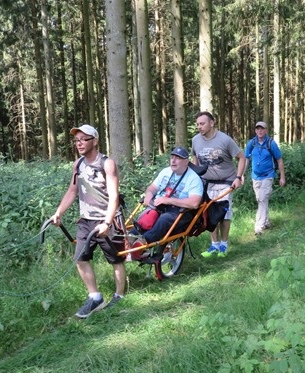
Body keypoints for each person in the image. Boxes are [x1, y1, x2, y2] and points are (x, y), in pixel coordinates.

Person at [50, 124, 126, 318]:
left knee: (115, 260)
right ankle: (95, 297)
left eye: (84, 139)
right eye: (77, 140)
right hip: (86, 220)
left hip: (107, 219)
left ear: (95, 141)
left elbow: (114, 195)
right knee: (80, 258)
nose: (79, 143)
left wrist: (107, 223)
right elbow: (72, 190)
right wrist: (59, 212)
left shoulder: (107, 163)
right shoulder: (78, 164)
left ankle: (119, 295)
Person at [131, 147, 203, 257]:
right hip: (159, 206)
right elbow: (152, 188)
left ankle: (142, 244)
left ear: (186, 162)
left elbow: (194, 203)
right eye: (172, 157)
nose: (173, 160)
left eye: (178, 158)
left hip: (180, 211)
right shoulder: (165, 172)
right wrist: (148, 197)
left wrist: (169, 200)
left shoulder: (194, 178)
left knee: (164, 220)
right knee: (146, 218)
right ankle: (129, 239)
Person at [191, 111, 245, 258]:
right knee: (209, 214)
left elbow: (241, 157)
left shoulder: (225, 140)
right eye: (197, 124)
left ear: (212, 123)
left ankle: (224, 245)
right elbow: (195, 160)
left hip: (226, 182)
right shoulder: (195, 140)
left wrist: (238, 177)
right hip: (206, 183)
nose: (199, 127)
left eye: (202, 123)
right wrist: (194, 179)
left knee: (224, 213)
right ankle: (214, 245)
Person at [243, 121, 286, 235]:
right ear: (255, 130)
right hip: (255, 176)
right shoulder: (251, 143)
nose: (260, 131)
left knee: (262, 198)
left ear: (266, 130)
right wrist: (241, 174)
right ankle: (266, 221)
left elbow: (279, 160)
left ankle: (259, 227)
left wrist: (282, 176)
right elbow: (246, 159)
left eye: (262, 129)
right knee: (261, 199)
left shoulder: (271, 143)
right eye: (258, 129)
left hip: (268, 175)